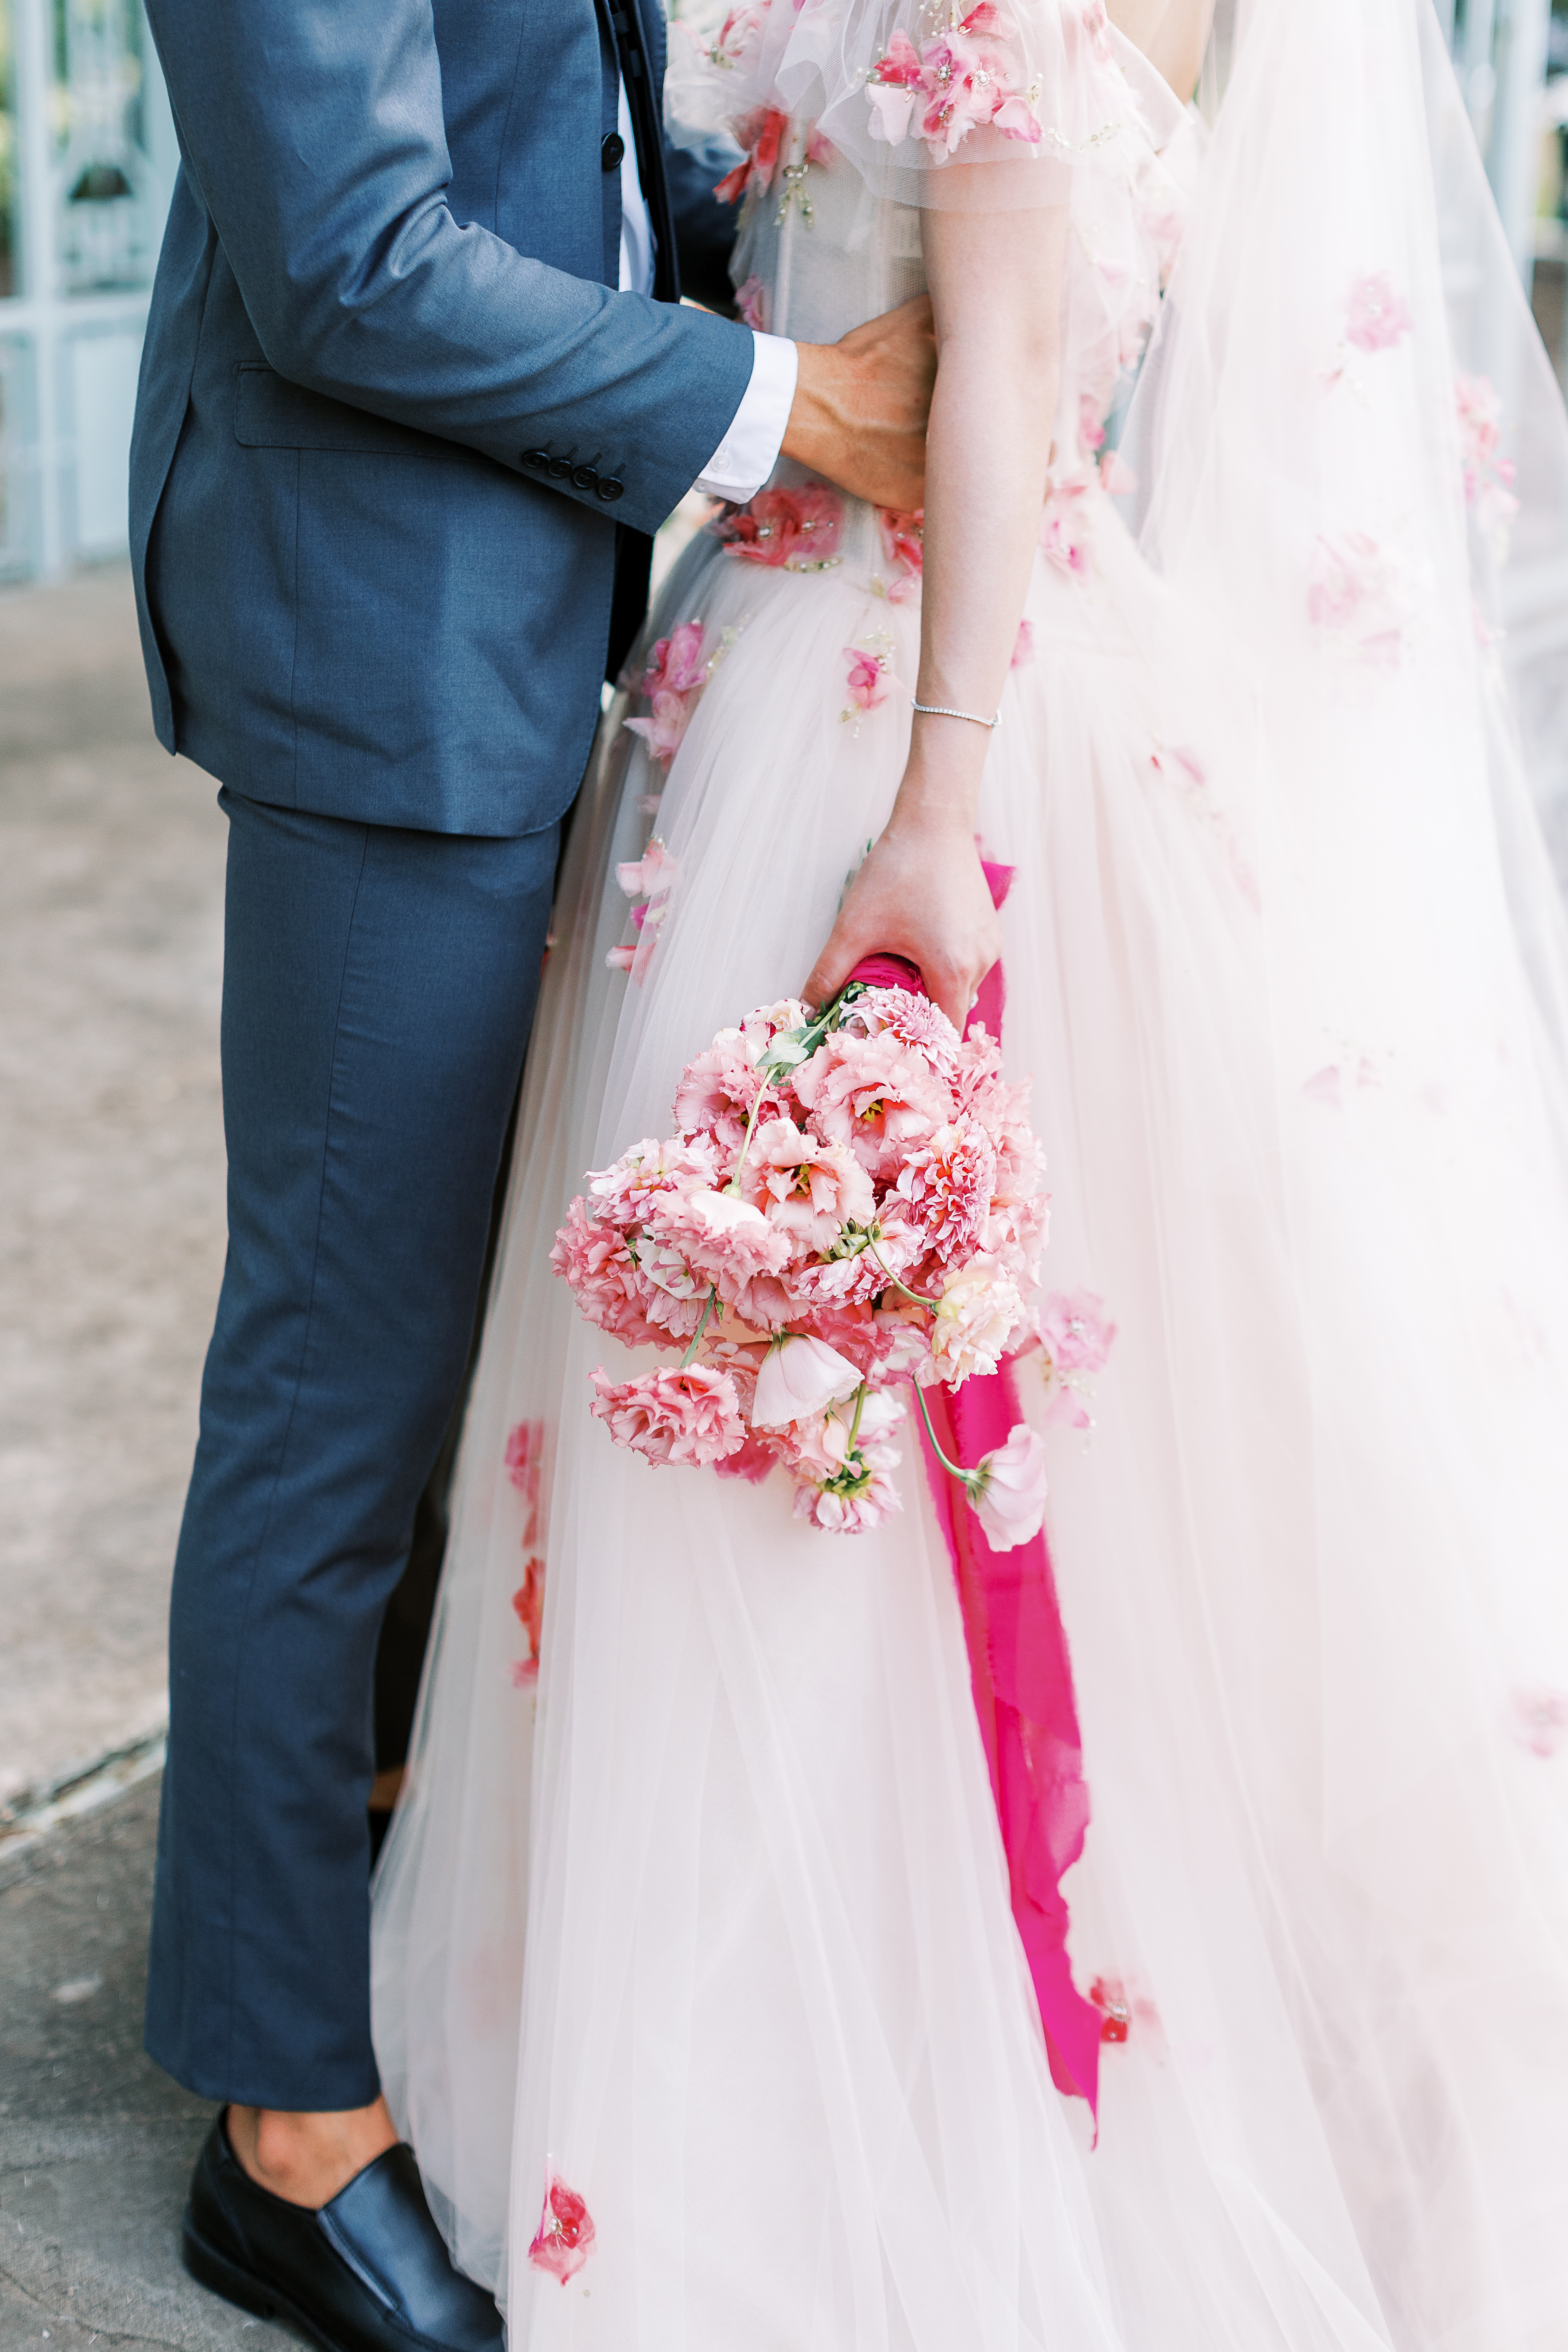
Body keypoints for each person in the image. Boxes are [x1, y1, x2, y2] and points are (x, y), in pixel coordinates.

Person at [371, 0, 1568, 2340]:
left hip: (905, 695)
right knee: (838, 1396)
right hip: (831, 657)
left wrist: (933, 807)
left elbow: (1003, 372)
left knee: (865, 1403)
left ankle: (876, 2073)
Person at [126, 0, 940, 2338]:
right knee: (336, 1379)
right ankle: (280, 2111)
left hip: (537, 595)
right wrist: (795, 406)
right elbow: (352, 253)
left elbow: (551, 113)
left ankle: (359, 1868)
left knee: (436, 1335)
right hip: (379, 635)